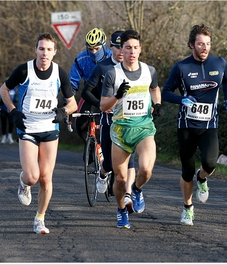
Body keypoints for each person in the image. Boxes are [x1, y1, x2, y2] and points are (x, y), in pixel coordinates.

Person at [0, 32, 77, 234]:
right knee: (33, 177)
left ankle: (40, 219)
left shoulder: (60, 73)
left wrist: (63, 111)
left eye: (49, 50)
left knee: (46, 178)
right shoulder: (24, 70)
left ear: (54, 52)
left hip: (50, 129)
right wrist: (13, 111)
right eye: (41, 49)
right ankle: (23, 183)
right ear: (35, 50)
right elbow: (3, 90)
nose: (45, 53)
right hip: (28, 129)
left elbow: (73, 104)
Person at [161, 24, 227, 226]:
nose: (205, 48)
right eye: (201, 44)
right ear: (191, 44)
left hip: (210, 124)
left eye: (208, 44)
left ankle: (202, 179)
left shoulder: (219, 63)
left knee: (210, 163)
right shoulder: (181, 67)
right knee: (186, 171)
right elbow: (165, 91)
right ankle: (188, 208)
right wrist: (181, 100)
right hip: (186, 125)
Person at [100, 29, 164, 229]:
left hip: (144, 127)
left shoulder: (149, 71)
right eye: (128, 48)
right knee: (119, 179)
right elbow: (103, 106)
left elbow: (154, 88)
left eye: (136, 48)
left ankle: (136, 190)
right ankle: (121, 210)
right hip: (120, 130)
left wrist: (158, 103)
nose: (132, 52)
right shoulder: (113, 74)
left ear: (140, 50)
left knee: (146, 169)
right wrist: (117, 96)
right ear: (122, 49)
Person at [81, 30, 136, 205]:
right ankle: (103, 174)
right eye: (117, 47)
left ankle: (128, 195)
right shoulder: (103, 67)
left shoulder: (135, 67)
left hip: (129, 120)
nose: (121, 51)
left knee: (130, 158)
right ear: (110, 47)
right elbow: (86, 91)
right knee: (111, 163)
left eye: (124, 47)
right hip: (109, 120)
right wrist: (102, 105)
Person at [68, 27, 112, 143]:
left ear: (104, 46)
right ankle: (90, 146)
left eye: (97, 49)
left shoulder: (113, 57)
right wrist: (67, 105)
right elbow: (72, 85)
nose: (94, 52)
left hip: (110, 92)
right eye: (90, 49)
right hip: (91, 92)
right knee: (80, 123)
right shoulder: (81, 59)